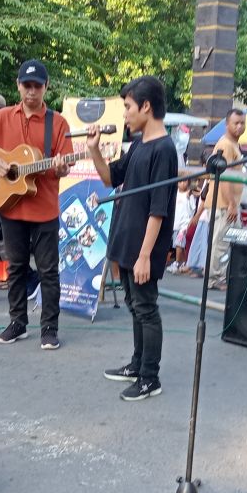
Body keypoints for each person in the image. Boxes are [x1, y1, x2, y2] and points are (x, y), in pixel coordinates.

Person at [0, 60, 71, 349]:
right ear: (18, 85)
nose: (31, 91)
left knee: (48, 270)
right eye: (27, 85)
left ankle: (49, 327)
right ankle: (18, 322)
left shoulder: (57, 123)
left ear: (46, 87)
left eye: (37, 86)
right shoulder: (1, 118)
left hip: (45, 207)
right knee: (16, 267)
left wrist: (60, 167)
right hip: (11, 207)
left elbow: (64, 166)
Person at [90, 76, 177, 401]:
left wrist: (144, 256)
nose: (125, 114)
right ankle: (137, 364)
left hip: (145, 247)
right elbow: (111, 178)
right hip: (127, 240)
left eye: (128, 107)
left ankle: (149, 378)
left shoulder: (164, 150)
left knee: (145, 307)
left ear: (146, 106)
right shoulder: (140, 144)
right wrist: (94, 149)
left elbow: (158, 210)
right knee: (134, 305)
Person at [208, 109, 245, 289]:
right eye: (235, 123)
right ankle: (215, 278)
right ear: (227, 125)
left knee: (231, 241)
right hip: (224, 204)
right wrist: (231, 204)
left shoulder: (232, 145)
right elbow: (223, 176)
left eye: (242, 123)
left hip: (229, 204)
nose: (239, 126)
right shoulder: (226, 145)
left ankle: (221, 276)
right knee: (221, 242)